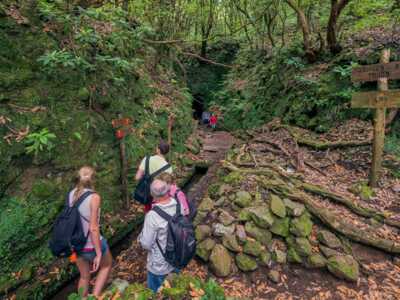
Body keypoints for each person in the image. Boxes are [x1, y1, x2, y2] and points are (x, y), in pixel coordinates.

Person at [69, 166, 112, 297]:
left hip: (76, 244)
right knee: (106, 266)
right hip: (92, 245)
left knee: (84, 276)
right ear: (93, 180)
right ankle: (95, 297)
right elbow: (93, 228)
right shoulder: (94, 197)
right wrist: (98, 253)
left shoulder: (71, 194)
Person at [138, 179, 182, 293]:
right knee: (174, 291)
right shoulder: (178, 205)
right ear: (168, 190)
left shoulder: (152, 215)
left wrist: (140, 237)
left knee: (155, 293)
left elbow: (146, 244)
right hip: (177, 258)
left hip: (160, 265)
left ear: (152, 195)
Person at [135, 140, 173, 213]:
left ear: (158, 150)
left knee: (149, 213)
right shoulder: (168, 168)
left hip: (148, 194)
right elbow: (168, 187)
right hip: (160, 197)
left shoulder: (147, 159)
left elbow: (137, 177)